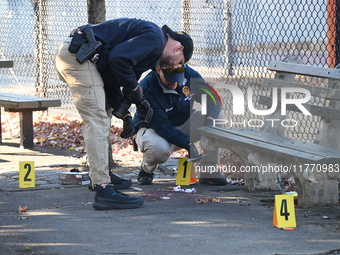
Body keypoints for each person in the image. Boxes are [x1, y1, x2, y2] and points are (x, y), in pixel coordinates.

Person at [54, 18, 194, 210]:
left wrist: (125, 112)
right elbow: (119, 60)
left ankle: (101, 175)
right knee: (97, 119)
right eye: (180, 62)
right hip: (79, 57)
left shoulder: (151, 50)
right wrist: (134, 87)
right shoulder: (155, 39)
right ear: (178, 49)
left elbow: (113, 72)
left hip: (86, 58)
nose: (174, 67)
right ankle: (104, 188)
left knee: (104, 113)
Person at [133, 62, 227, 185]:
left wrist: (209, 123)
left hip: (183, 122)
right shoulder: (147, 87)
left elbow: (211, 96)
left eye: (177, 79)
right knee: (158, 150)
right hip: (154, 130)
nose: (175, 83)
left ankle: (208, 171)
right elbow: (162, 126)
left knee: (217, 118)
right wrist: (188, 145)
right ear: (159, 70)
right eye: (170, 79)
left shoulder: (189, 73)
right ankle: (147, 168)